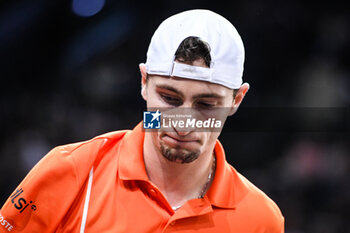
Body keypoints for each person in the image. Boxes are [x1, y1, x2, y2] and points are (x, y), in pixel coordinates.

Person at [0, 9, 284, 232]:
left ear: (237, 100)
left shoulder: (261, 220)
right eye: (170, 99)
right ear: (144, 82)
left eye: (206, 105)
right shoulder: (69, 172)